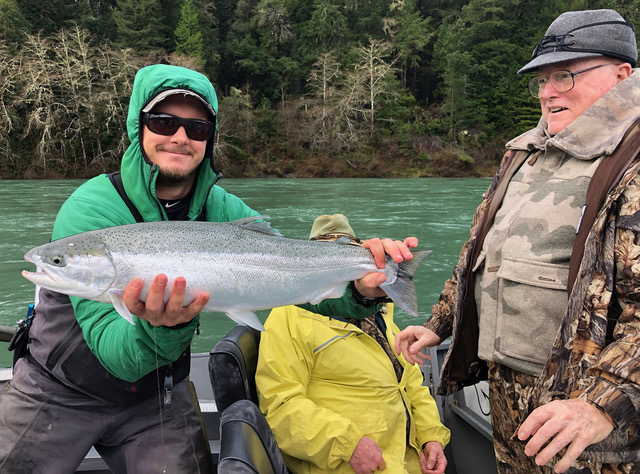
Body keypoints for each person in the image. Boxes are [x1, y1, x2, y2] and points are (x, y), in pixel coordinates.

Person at [0, 64, 415, 473]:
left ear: (208, 139)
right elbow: (115, 352)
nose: (180, 137)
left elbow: (296, 279)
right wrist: (163, 327)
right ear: (138, 126)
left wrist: (364, 289)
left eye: (196, 128)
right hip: (55, 391)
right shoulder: (91, 209)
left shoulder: (225, 210)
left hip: (157, 393)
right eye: (164, 122)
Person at [395, 9, 640, 474]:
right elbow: (482, 256)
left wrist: (600, 405)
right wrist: (441, 323)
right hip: (510, 405)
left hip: (593, 428)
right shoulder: (523, 152)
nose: (548, 93)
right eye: (542, 80)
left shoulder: (633, 159)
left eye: (565, 75)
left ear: (622, 74)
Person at [256, 214, 450, 474]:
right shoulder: (287, 315)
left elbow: (410, 382)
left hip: (407, 461)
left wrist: (430, 437)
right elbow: (280, 408)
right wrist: (348, 445)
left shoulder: (379, 313)